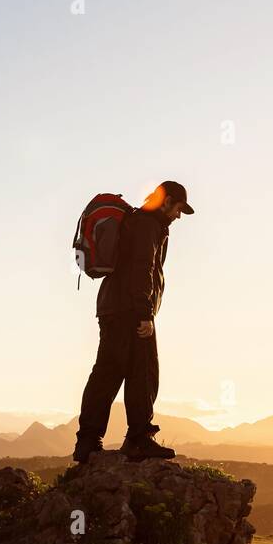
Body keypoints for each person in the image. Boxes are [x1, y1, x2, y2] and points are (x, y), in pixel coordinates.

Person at [73, 180, 194, 463]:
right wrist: (144, 314)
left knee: (107, 373)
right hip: (130, 310)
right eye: (177, 209)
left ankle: (89, 442)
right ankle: (138, 439)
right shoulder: (148, 225)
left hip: (114, 308)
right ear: (166, 202)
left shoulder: (140, 222)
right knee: (144, 372)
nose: (178, 216)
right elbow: (143, 268)